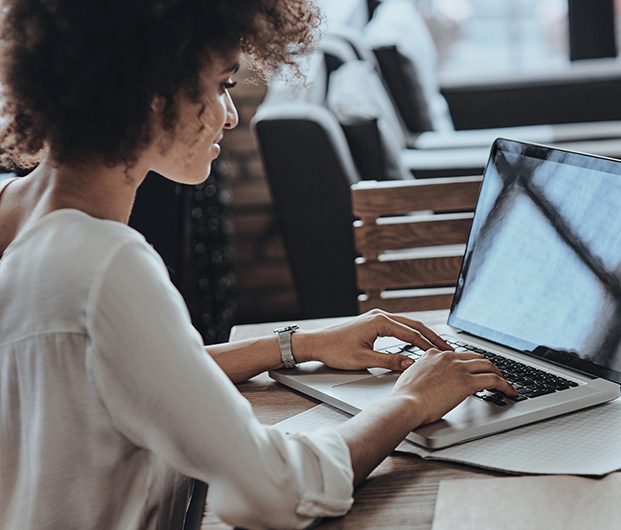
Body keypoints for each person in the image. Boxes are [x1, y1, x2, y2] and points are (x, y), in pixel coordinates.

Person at [0, 1, 515, 529]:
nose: (231, 113)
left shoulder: (18, 215)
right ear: (155, 93)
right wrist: (411, 400)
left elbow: (137, 372)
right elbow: (278, 492)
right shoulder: (105, 264)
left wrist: (298, 345)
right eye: (221, 84)